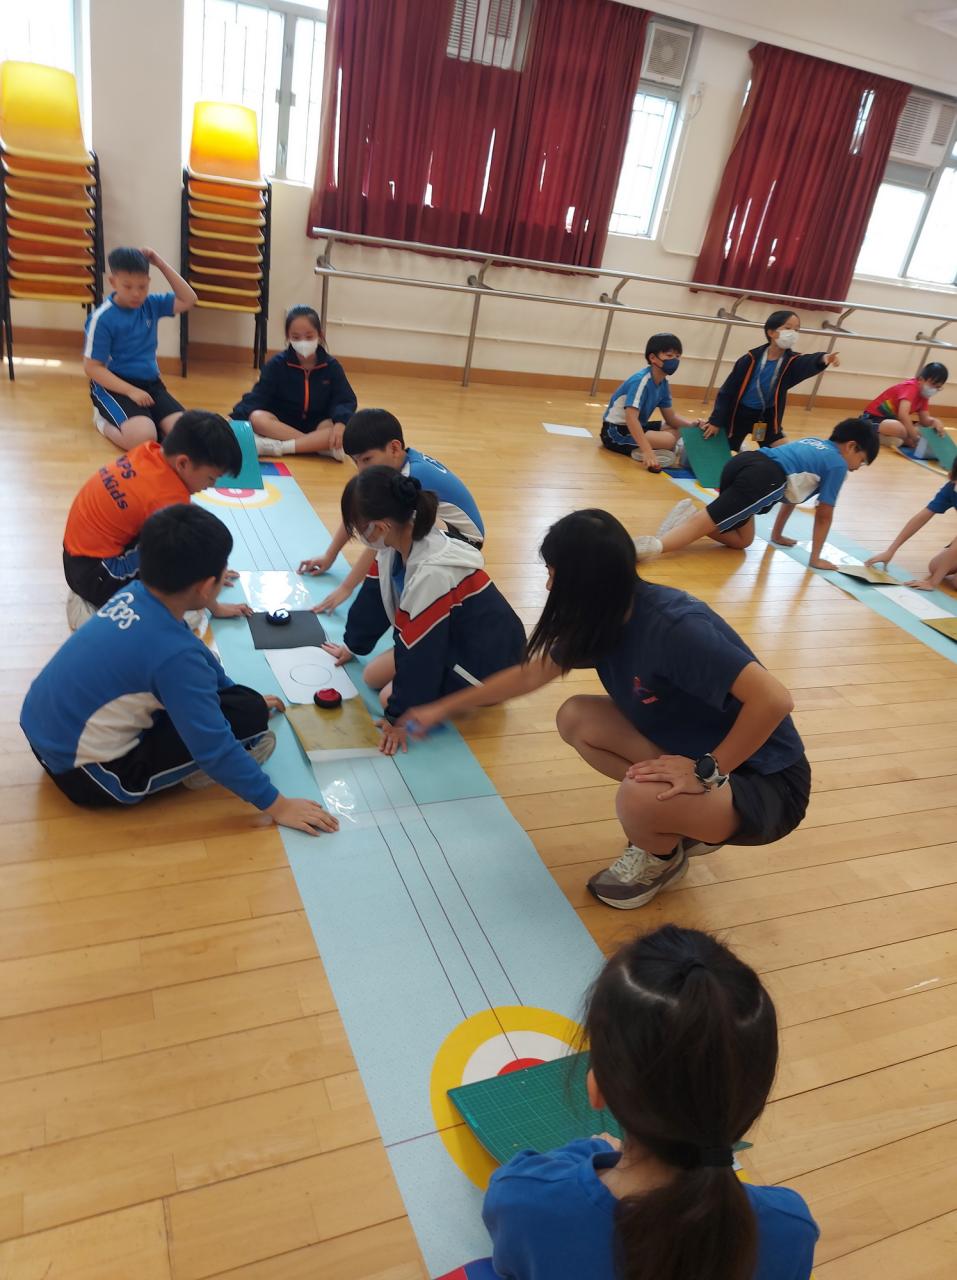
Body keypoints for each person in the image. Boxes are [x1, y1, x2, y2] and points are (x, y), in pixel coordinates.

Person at [403, 509, 809, 908]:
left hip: (767, 783)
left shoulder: (676, 628)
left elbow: (774, 700)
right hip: (701, 751)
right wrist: (441, 708)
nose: (548, 585)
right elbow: (529, 675)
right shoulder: (603, 617)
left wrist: (706, 771)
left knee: (637, 798)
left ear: (587, 580)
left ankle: (661, 859)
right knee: (577, 718)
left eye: (554, 572)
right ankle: (680, 819)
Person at [482, 925, 819, 1280]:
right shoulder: (790, 1227)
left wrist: (591, 1150)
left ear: (596, 1088)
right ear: (751, 1102)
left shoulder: (523, 1199)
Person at [21, 504, 338, 836]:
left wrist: (234, 695)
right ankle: (193, 773)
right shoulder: (175, 657)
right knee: (245, 723)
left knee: (244, 705)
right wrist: (279, 806)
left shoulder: (135, 592)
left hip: (43, 731)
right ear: (206, 587)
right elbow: (214, 749)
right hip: (90, 775)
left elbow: (195, 653)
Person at [322, 467, 524, 756]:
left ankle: (469, 697)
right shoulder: (395, 541)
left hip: (487, 662)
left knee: (389, 698)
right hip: (453, 635)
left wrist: (397, 719)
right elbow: (373, 598)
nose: (358, 536)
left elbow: (422, 654)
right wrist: (352, 645)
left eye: (358, 528)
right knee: (371, 675)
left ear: (380, 527)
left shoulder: (432, 574)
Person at [62, 409, 251, 629]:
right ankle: (108, 609)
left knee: (181, 531)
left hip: (76, 558)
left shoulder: (148, 451)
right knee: (182, 569)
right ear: (182, 463)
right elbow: (191, 553)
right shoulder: (167, 497)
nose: (212, 486)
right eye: (211, 478)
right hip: (97, 577)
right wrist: (211, 593)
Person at [298, 408, 485, 614]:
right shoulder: (398, 464)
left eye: (366, 460)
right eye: (355, 461)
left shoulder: (411, 475)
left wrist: (346, 587)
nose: (361, 469)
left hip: (464, 541)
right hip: (442, 526)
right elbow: (358, 509)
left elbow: (379, 539)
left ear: (394, 448)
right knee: (386, 527)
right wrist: (329, 555)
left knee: (390, 534)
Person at [636, 419, 879, 572]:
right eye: (861, 460)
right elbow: (824, 515)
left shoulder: (815, 443)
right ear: (851, 446)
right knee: (710, 519)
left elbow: (793, 495)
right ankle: (653, 546)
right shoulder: (837, 464)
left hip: (744, 462)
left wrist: (777, 534)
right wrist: (815, 558)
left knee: (743, 540)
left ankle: (688, 519)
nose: (857, 467)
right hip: (763, 478)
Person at [84, 246, 197, 451]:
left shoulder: (151, 304)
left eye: (142, 286)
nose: (136, 293)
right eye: (128, 287)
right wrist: (131, 391)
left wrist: (160, 264)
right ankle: (102, 421)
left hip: (151, 384)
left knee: (187, 436)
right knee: (143, 439)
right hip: (114, 387)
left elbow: (189, 299)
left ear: (148, 282)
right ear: (113, 282)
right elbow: (92, 368)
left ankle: (148, 421)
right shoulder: (102, 318)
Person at [699, 309, 840, 451]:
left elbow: (807, 361)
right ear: (771, 332)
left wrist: (824, 358)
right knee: (715, 445)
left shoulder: (792, 362)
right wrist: (716, 421)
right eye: (788, 328)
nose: (793, 333)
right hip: (738, 415)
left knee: (783, 453)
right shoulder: (750, 359)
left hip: (765, 417)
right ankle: (739, 446)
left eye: (797, 330)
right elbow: (727, 392)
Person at [231, 304, 357, 458]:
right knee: (257, 418)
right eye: (296, 337)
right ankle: (316, 446)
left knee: (335, 428)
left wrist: (341, 423)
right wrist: (233, 417)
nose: (303, 342)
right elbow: (258, 396)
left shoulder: (332, 366)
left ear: (320, 335)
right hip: (282, 424)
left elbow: (344, 399)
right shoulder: (276, 364)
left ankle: (280, 447)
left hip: (318, 424)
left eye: (309, 336)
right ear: (288, 337)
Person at [599, 333, 705, 472]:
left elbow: (671, 418)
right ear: (653, 358)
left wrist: (693, 426)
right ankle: (649, 450)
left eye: (677, 356)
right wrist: (647, 451)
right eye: (669, 355)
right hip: (615, 432)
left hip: (638, 426)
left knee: (678, 429)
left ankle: (660, 448)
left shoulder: (663, 383)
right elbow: (631, 419)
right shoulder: (640, 381)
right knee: (669, 440)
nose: (674, 360)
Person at [866, 458, 957, 590]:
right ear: (950, 476)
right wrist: (890, 551)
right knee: (935, 567)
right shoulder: (951, 488)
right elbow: (922, 517)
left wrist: (932, 583)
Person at [860, 362, 948, 448]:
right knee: (899, 428)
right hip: (872, 419)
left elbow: (924, 421)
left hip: (893, 421)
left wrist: (934, 421)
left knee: (921, 429)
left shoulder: (924, 395)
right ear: (921, 379)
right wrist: (915, 437)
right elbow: (903, 415)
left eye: (938, 387)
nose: (934, 389)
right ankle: (876, 436)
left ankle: (898, 440)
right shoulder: (910, 387)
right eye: (933, 384)